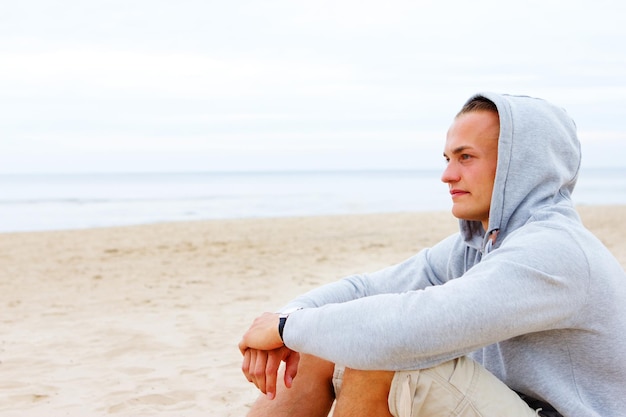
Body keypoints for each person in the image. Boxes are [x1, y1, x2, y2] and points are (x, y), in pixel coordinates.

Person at [238, 92, 626, 417]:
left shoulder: (553, 251)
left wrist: (289, 327)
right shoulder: (480, 245)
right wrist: (287, 321)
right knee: (319, 345)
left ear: (518, 167)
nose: (447, 175)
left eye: (466, 157)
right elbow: (367, 289)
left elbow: (410, 329)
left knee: (383, 357)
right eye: (447, 159)